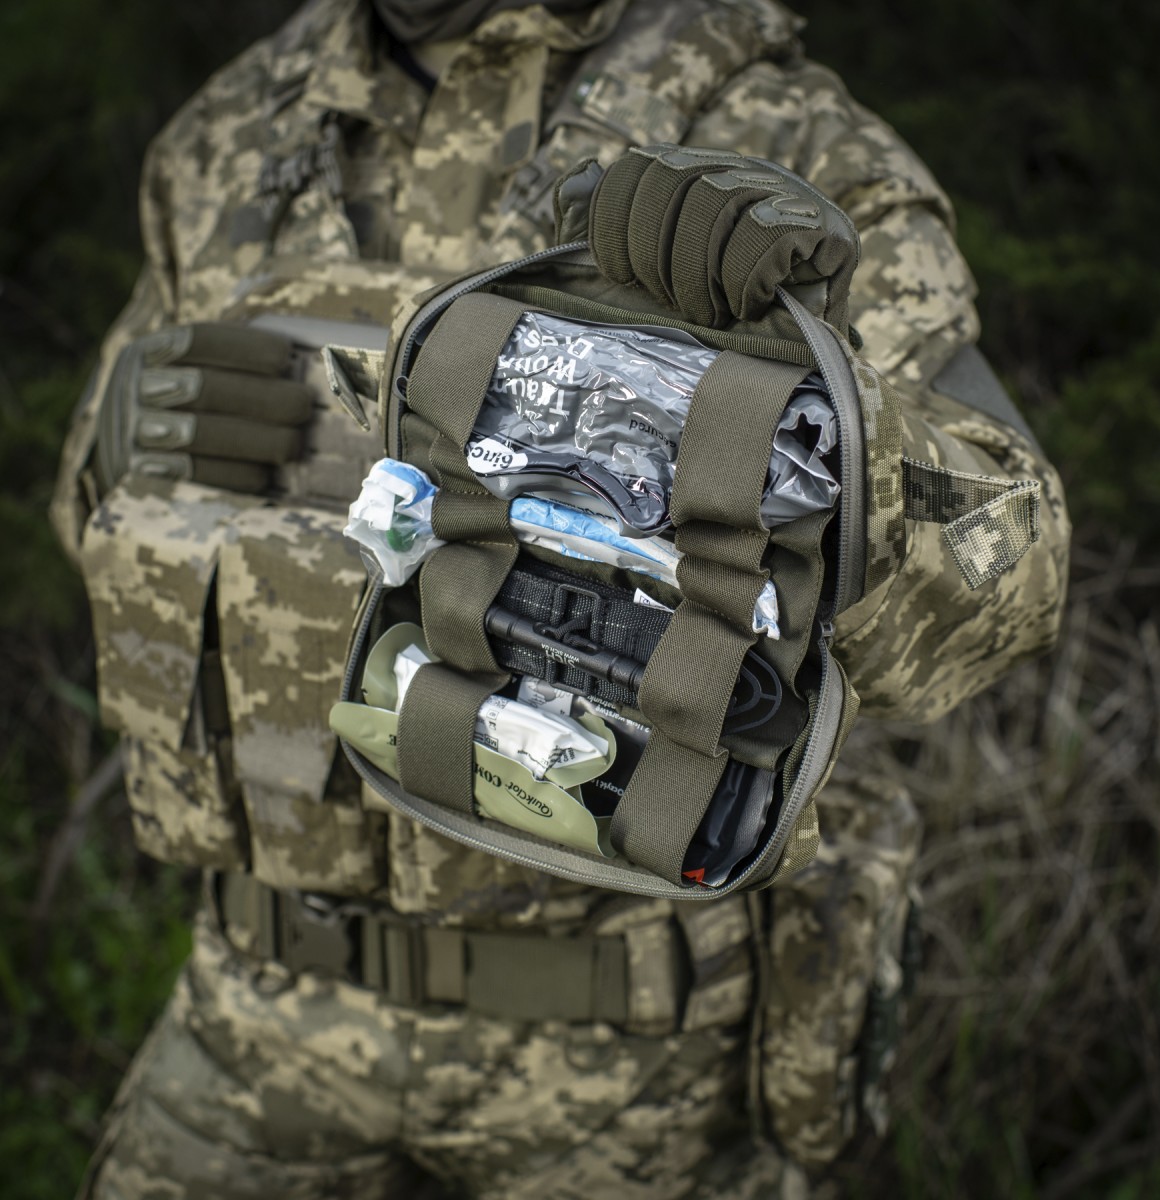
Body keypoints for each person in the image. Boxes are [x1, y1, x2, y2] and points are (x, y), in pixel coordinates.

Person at [52, 1, 1068, 1196]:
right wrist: (115, 443)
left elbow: (1017, 565)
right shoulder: (233, 131)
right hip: (256, 1007)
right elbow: (102, 515)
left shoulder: (770, 128)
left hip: (632, 1056)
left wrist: (828, 444)